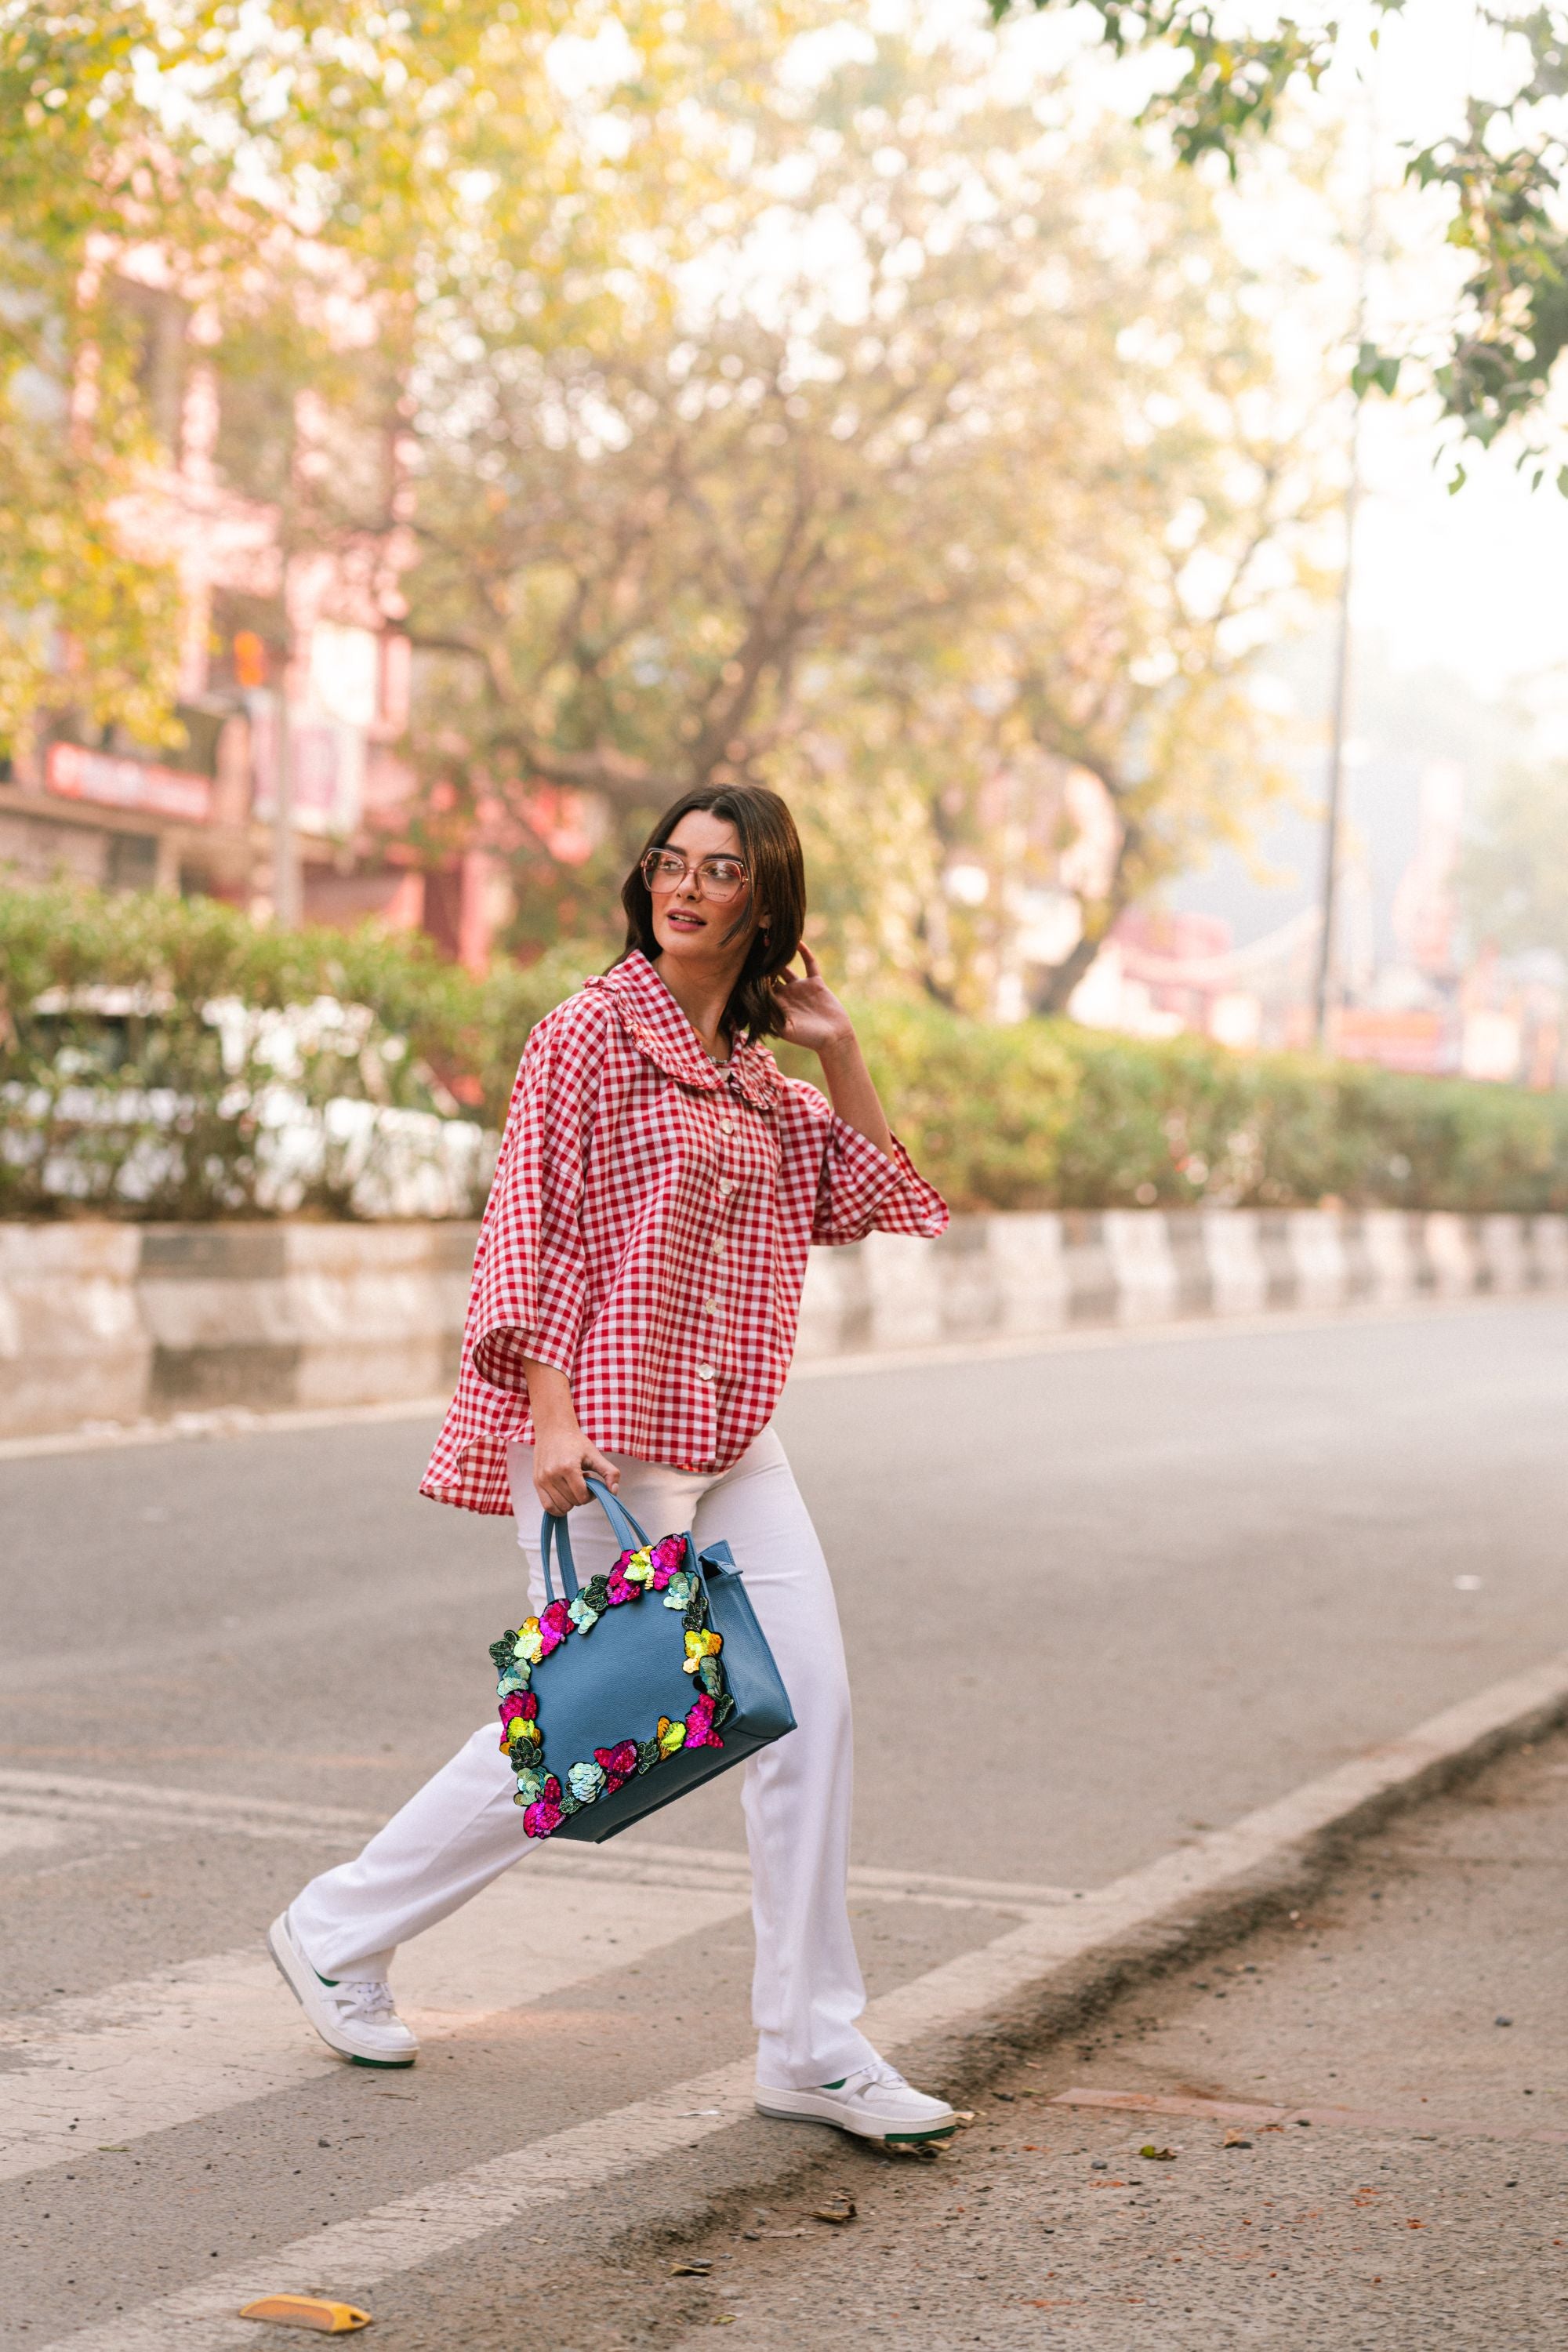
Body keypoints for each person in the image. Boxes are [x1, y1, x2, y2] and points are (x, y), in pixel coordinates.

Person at [268, 782, 956, 2145]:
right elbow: (526, 1219)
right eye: (671, 864)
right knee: (591, 1726)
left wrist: (843, 1052)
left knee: (807, 1710)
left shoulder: (759, 1080)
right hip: (605, 1433)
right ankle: (339, 1926)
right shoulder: (586, 1033)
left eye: (722, 871)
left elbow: (878, 1199)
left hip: (733, 1439)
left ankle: (811, 2050)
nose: (686, 888)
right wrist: (549, 1410)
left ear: (767, 904)